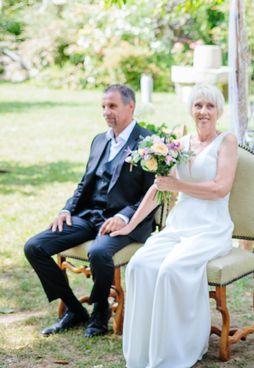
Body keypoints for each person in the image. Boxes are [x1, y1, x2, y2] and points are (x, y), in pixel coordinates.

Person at [113, 84, 238, 368]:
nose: (203, 111)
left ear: (218, 110)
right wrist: (130, 225)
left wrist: (179, 185)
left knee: (171, 271)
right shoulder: (178, 145)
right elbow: (158, 189)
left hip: (211, 228)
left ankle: (176, 350)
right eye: (198, 105)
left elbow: (220, 188)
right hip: (178, 227)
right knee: (140, 265)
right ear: (190, 109)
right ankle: (144, 350)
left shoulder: (227, 141)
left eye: (209, 106)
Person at [24, 84, 156, 337]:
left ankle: (99, 313)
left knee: (98, 252)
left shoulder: (148, 143)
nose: (107, 112)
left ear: (131, 106)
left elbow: (152, 194)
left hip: (126, 222)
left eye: (113, 106)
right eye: (104, 106)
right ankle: (75, 310)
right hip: (88, 216)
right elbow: (86, 183)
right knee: (34, 247)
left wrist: (122, 217)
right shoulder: (99, 140)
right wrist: (66, 209)